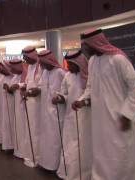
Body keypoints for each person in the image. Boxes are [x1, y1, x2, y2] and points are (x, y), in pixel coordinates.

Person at [72, 29, 135, 180]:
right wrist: (82, 99)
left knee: (122, 153)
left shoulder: (118, 59)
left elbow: (134, 86)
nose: (85, 50)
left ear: (95, 43)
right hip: (100, 119)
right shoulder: (93, 62)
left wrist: (128, 113)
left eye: (86, 46)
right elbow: (90, 86)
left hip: (119, 117)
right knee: (103, 152)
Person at [54, 50, 92, 180]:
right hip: (70, 117)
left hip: (87, 118)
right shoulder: (67, 76)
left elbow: (94, 95)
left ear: (79, 63)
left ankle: (84, 174)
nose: (68, 67)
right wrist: (60, 98)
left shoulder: (89, 76)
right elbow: (64, 93)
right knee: (70, 144)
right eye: (68, 64)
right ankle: (69, 172)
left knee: (83, 145)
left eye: (71, 64)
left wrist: (84, 102)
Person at [37, 50, 66, 171]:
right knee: (46, 138)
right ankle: (45, 163)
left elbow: (66, 91)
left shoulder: (60, 72)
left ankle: (54, 166)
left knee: (55, 138)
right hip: (45, 111)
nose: (42, 65)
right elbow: (40, 87)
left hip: (56, 111)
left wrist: (60, 97)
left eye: (43, 62)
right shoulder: (44, 73)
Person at [22, 46, 43, 167]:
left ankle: (38, 157)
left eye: (26, 57)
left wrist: (29, 92)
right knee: (30, 128)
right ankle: (31, 154)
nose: (25, 60)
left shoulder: (41, 66)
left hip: (38, 103)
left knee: (37, 130)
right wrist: (23, 88)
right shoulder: (30, 67)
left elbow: (40, 86)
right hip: (29, 102)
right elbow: (28, 82)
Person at [6, 59, 29, 159]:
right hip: (16, 107)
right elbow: (11, 90)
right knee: (18, 128)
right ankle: (18, 151)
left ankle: (24, 152)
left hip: (24, 106)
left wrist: (18, 85)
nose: (11, 70)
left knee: (23, 129)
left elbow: (29, 85)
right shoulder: (14, 77)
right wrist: (9, 89)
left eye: (13, 68)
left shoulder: (26, 75)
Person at [0, 61, 14, 150]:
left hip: (11, 106)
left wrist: (8, 89)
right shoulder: (2, 78)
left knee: (10, 125)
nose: (0, 70)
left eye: (2, 68)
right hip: (3, 105)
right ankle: (6, 145)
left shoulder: (12, 78)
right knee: (5, 124)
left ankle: (11, 146)